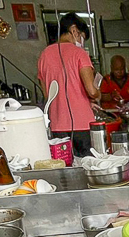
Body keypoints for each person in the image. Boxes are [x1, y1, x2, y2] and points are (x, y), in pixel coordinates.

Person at [37, 12, 100, 155]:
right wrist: (97, 93)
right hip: (82, 124)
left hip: (57, 125)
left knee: (65, 166)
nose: (81, 42)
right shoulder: (79, 54)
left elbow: (47, 94)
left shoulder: (44, 55)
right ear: (73, 30)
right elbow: (91, 91)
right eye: (82, 37)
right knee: (87, 165)